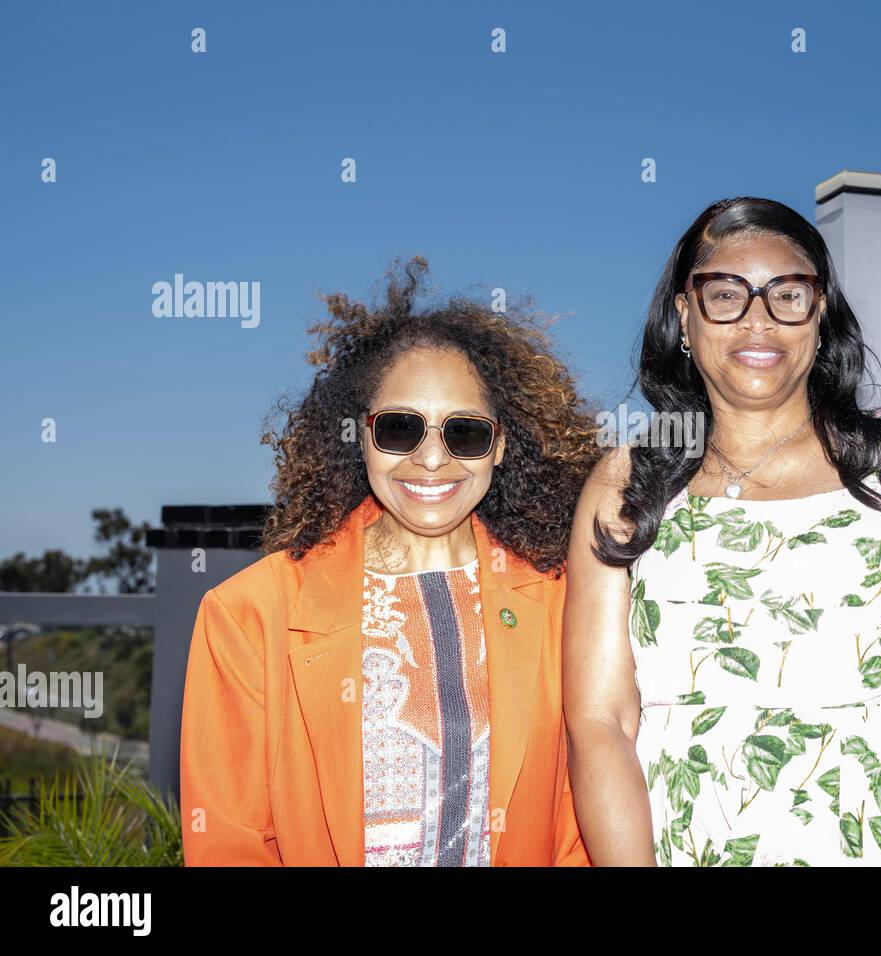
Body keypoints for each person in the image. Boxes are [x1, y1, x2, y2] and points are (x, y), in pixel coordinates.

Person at [564, 197, 881, 866]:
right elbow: (599, 723)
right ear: (684, 317)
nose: (758, 320)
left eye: (787, 295)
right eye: (725, 294)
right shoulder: (624, 484)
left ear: (820, 312)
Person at [180, 257, 600, 866]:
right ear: (361, 435)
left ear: (500, 444)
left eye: (466, 433)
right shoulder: (249, 613)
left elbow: (575, 828)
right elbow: (229, 842)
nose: (432, 460)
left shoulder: (563, 603)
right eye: (401, 429)